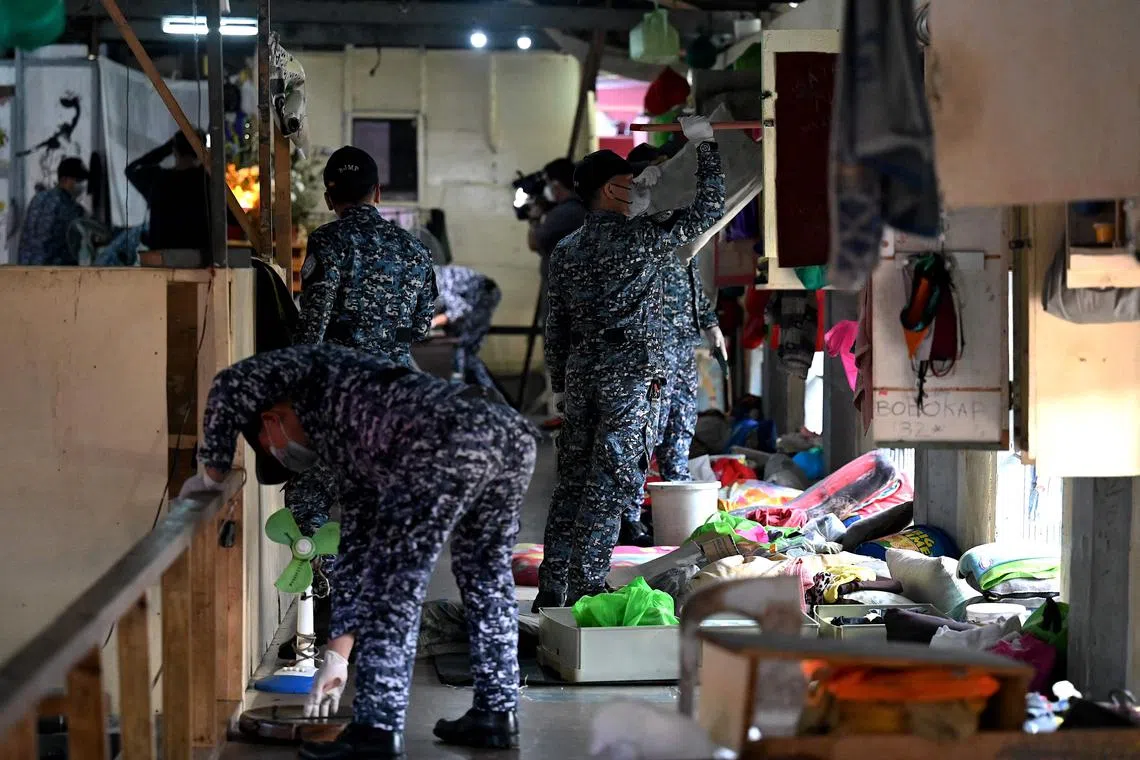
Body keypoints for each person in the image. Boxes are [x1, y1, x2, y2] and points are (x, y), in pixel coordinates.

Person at [181, 343, 536, 757]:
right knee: (486, 575)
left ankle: (377, 732)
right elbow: (357, 546)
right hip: (509, 434)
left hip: (445, 443)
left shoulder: (319, 380)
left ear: (271, 419)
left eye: (270, 446)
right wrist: (337, 654)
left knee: (394, 587)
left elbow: (229, 382)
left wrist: (212, 472)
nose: (283, 456)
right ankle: (496, 712)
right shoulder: (353, 433)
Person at [536, 116, 725, 610]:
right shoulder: (641, 240)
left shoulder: (566, 249)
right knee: (610, 482)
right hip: (630, 379)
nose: (636, 186)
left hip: (581, 376)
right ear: (611, 189)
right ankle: (587, 588)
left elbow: (554, 325)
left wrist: (559, 380)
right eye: (627, 180)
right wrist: (703, 145)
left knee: (573, 480)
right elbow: (710, 207)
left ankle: (552, 584)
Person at [284, 146, 437, 658]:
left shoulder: (328, 242)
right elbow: (419, 326)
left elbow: (314, 327)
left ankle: (319, 615)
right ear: (379, 193)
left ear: (330, 197)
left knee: (309, 500)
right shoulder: (414, 250)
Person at [620, 145, 728, 545]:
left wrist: (712, 324)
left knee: (681, 427)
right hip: (648, 351)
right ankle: (630, 518)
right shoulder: (631, 232)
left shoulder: (677, 229)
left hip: (682, 345)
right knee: (644, 434)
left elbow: (692, 284)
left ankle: (676, 508)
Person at [125, 130, 211, 255]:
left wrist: (165, 150)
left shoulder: (158, 180)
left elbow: (131, 169)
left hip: (162, 258)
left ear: (174, 150)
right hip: (200, 258)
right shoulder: (206, 182)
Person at [432, 264, 502, 388]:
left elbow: (459, 309)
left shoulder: (436, 284)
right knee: (463, 350)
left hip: (482, 297)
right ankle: (465, 385)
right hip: (478, 295)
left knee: (465, 351)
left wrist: (433, 322)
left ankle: (486, 391)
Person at [17, 157, 88, 265]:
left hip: (25, 268)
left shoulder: (38, 198)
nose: (83, 185)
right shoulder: (71, 208)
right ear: (65, 179)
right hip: (51, 274)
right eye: (79, 180)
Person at [527, 157, 587, 280]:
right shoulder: (582, 207)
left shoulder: (564, 212)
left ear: (556, 185)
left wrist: (534, 219)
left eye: (547, 183)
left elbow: (534, 243)